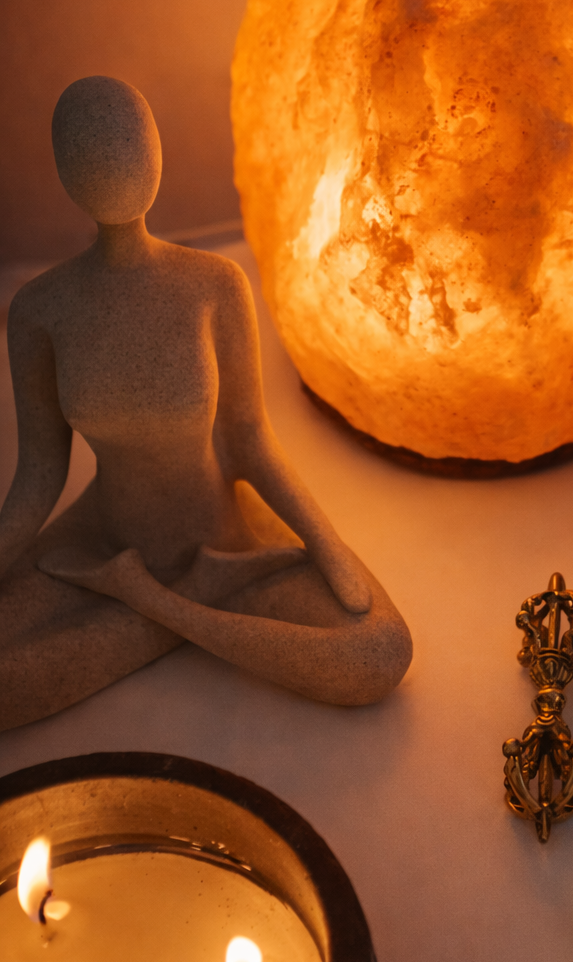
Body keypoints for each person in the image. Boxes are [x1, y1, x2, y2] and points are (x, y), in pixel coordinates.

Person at [0, 76, 412, 731]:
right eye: (92, 152)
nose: (116, 165)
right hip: (101, 540)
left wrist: (325, 544)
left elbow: (250, 440)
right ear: (64, 171)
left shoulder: (213, 284)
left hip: (227, 534)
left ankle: (159, 606)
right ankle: (182, 609)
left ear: (157, 152)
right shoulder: (40, 310)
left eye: (132, 145)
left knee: (377, 652)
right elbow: (39, 475)